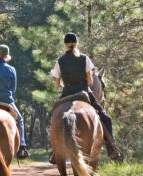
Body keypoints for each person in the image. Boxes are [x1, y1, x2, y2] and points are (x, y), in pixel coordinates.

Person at [50, 33, 118, 161]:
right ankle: (111, 148)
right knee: (105, 118)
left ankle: (54, 151)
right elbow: (90, 81)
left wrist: (67, 84)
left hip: (67, 94)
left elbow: (57, 84)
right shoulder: (84, 58)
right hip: (84, 92)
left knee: (54, 118)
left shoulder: (60, 61)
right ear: (77, 43)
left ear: (65, 44)